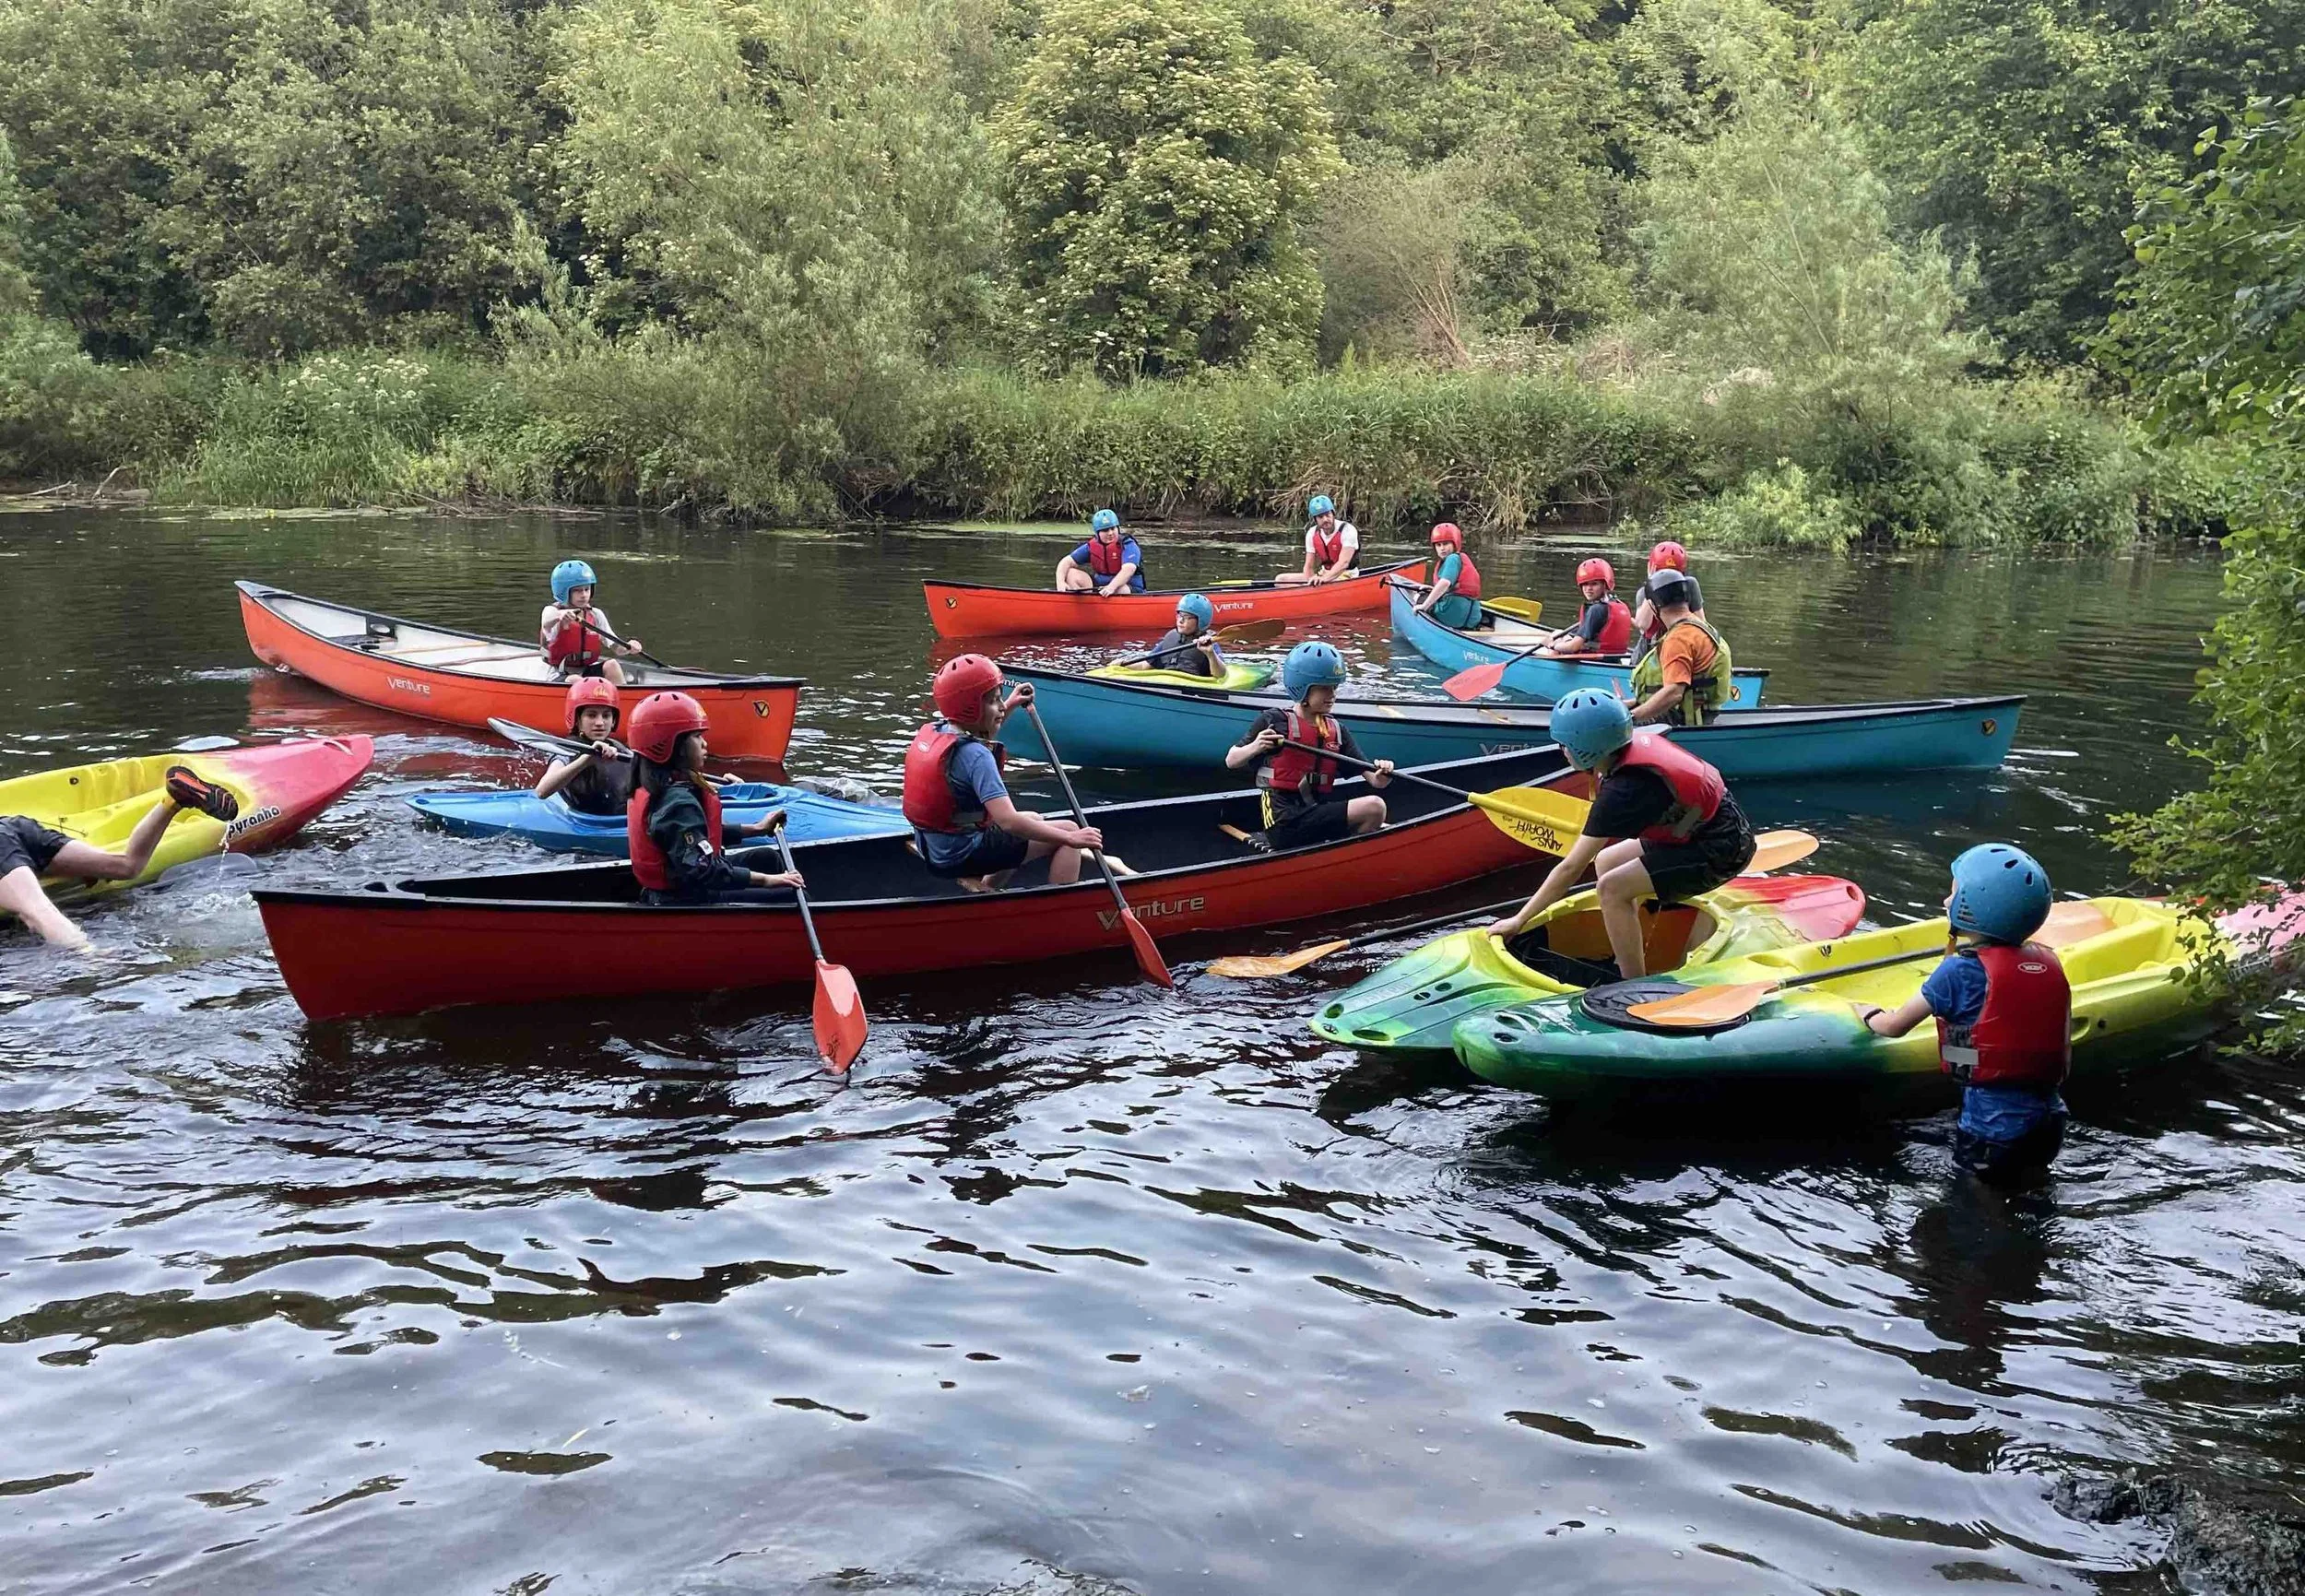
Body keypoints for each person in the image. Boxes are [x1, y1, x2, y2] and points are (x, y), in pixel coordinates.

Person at [1488, 689, 1754, 980]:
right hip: (1703, 827)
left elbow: (1570, 868)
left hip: (1722, 847)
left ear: (1584, 747)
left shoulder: (1623, 792)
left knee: (1611, 888)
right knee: (1606, 861)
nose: (1562, 751)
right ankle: (1629, 950)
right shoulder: (1623, 752)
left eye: (1565, 745)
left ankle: (1630, 982)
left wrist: (1519, 920)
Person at [1854, 845, 2073, 1186]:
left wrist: (1866, 1013)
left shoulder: (1958, 972)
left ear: (1975, 905)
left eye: (1954, 893)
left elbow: (1894, 1026)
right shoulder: (2049, 962)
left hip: (1991, 1128)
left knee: (1980, 1207)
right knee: (2030, 1190)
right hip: (2050, 1121)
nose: (1946, 901)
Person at [903, 655, 1107, 892]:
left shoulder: (941, 731)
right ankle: (1061, 902)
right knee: (1070, 830)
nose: (1000, 707)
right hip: (962, 855)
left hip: (936, 848)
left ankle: (990, 891)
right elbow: (1008, 822)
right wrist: (1072, 839)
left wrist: (1009, 704)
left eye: (1000, 699)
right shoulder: (977, 756)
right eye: (993, 701)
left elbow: (980, 730)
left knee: (1033, 819)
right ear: (971, 708)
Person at [1, 767, 240, 952]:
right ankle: (174, 801)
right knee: (126, 865)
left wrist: (88, 955)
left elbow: (36, 913)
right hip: (15, 827)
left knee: (36, 910)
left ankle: (87, 953)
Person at [624, 692, 803, 905]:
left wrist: (757, 829)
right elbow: (704, 869)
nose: (704, 744)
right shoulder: (677, 804)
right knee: (791, 894)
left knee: (766, 857)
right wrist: (768, 880)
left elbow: (698, 835)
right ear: (672, 746)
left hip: (682, 884)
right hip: (685, 898)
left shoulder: (657, 785)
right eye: (697, 737)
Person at [1225, 641, 1393, 848]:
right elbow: (1231, 760)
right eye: (1324, 689)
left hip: (1315, 812)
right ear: (1302, 690)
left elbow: (1376, 782)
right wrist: (1256, 746)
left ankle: (1346, 855)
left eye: (1334, 687)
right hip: (1284, 822)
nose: (1332, 695)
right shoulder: (1274, 720)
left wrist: (1383, 773)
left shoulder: (1337, 730)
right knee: (1374, 807)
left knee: (1376, 809)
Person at [1625, 569, 1735, 727]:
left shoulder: (1678, 639)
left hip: (1682, 720)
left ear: (1655, 606)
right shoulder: (1700, 626)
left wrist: (1631, 718)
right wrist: (1630, 705)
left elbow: (1674, 693)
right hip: (1697, 713)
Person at [534, 677, 632, 817]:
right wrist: (586, 760)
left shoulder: (620, 748)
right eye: (591, 715)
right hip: (586, 822)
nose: (600, 722)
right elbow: (542, 791)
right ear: (577, 720)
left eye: (606, 716)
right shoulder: (567, 750)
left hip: (618, 822)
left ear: (613, 721)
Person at [540, 560, 645, 685]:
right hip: (560, 673)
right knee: (576, 680)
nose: (584, 595)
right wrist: (561, 615)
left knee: (612, 665)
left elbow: (617, 648)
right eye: (578, 591)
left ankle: (622, 700)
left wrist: (629, 647)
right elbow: (547, 620)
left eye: (587, 589)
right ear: (563, 592)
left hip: (586, 670)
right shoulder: (552, 612)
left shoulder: (596, 615)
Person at [1628, 540, 1704, 668]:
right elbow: (1643, 625)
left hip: (1680, 646)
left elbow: (1701, 622)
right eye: (1661, 573)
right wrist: (1652, 586)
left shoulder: (1690, 585)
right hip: (1649, 652)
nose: (1666, 580)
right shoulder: (1645, 591)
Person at [1542, 558, 1633, 656]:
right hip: (1613, 659)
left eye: (1594, 584)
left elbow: (1574, 647)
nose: (1589, 589)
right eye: (1585, 584)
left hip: (1594, 659)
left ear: (1605, 585)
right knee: (1560, 633)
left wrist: (1551, 645)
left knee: (1556, 636)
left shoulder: (1596, 610)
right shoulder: (1619, 605)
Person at [1411, 522, 1485, 629]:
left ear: (1455, 544)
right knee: (1430, 594)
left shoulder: (1452, 559)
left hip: (1450, 614)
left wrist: (1424, 606)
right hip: (1471, 618)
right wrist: (1433, 589)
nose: (1442, 548)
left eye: (1446, 544)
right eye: (1438, 545)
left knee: (1418, 597)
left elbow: (1445, 583)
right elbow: (1455, 587)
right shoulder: (1459, 559)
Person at [1057, 510, 1146, 595]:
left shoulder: (1128, 544)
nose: (1110, 533)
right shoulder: (1092, 546)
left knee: (1119, 589)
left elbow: (1129, 569)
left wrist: (1111, 587)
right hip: (1100, 587)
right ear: (1097, 533)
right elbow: (1066, 562)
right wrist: (1061, 583)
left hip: (1128, 588)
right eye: (1105, 530)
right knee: (1071, 573)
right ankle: (1085, 604)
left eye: (1112, 528)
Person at [1279, 494, 1358, 585]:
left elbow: (1344, 563)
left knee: (1328, 581)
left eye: (1328, 515)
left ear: (1333, 514)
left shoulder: (1348, 530)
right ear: (1315, 519)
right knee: (1281, 580)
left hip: (1346, 575)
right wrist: (1311, 580)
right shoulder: (1312, 533)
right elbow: (1308, 566)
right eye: (1320, 517)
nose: (1325, 519)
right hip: (1323, 574)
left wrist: (1324, 579)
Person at [1142, 594, 1226, 679]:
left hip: (1191, 685)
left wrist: (1210, 654)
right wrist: (1127, 665)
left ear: (1201, 620)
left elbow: (1220, 675)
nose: (1180, 621)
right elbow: (1144, 666)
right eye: (1180, 615)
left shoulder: (1209, 644)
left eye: (1186, 617)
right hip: (1166, 681)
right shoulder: (1170, 638)